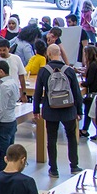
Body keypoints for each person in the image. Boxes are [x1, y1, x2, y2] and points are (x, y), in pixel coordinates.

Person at [32, 44, 83, 177]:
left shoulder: (44, 71)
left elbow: (38, 92)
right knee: (71, 137)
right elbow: (76, 92)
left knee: (51, 139)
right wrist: (79, 111)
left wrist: (36, 109)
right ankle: (74, 165)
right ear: (59, 53)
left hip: (51, 109)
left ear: (48, 54)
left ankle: (53, 169)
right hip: (69, 108)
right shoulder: (69, 70)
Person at [0, 59, 20, 157]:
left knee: (3, 153)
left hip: (4, 123)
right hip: (12, 120)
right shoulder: (13, 82)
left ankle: (4, 171)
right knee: (10, 151)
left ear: (1, 71)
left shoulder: (4, 86)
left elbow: (1, 108)